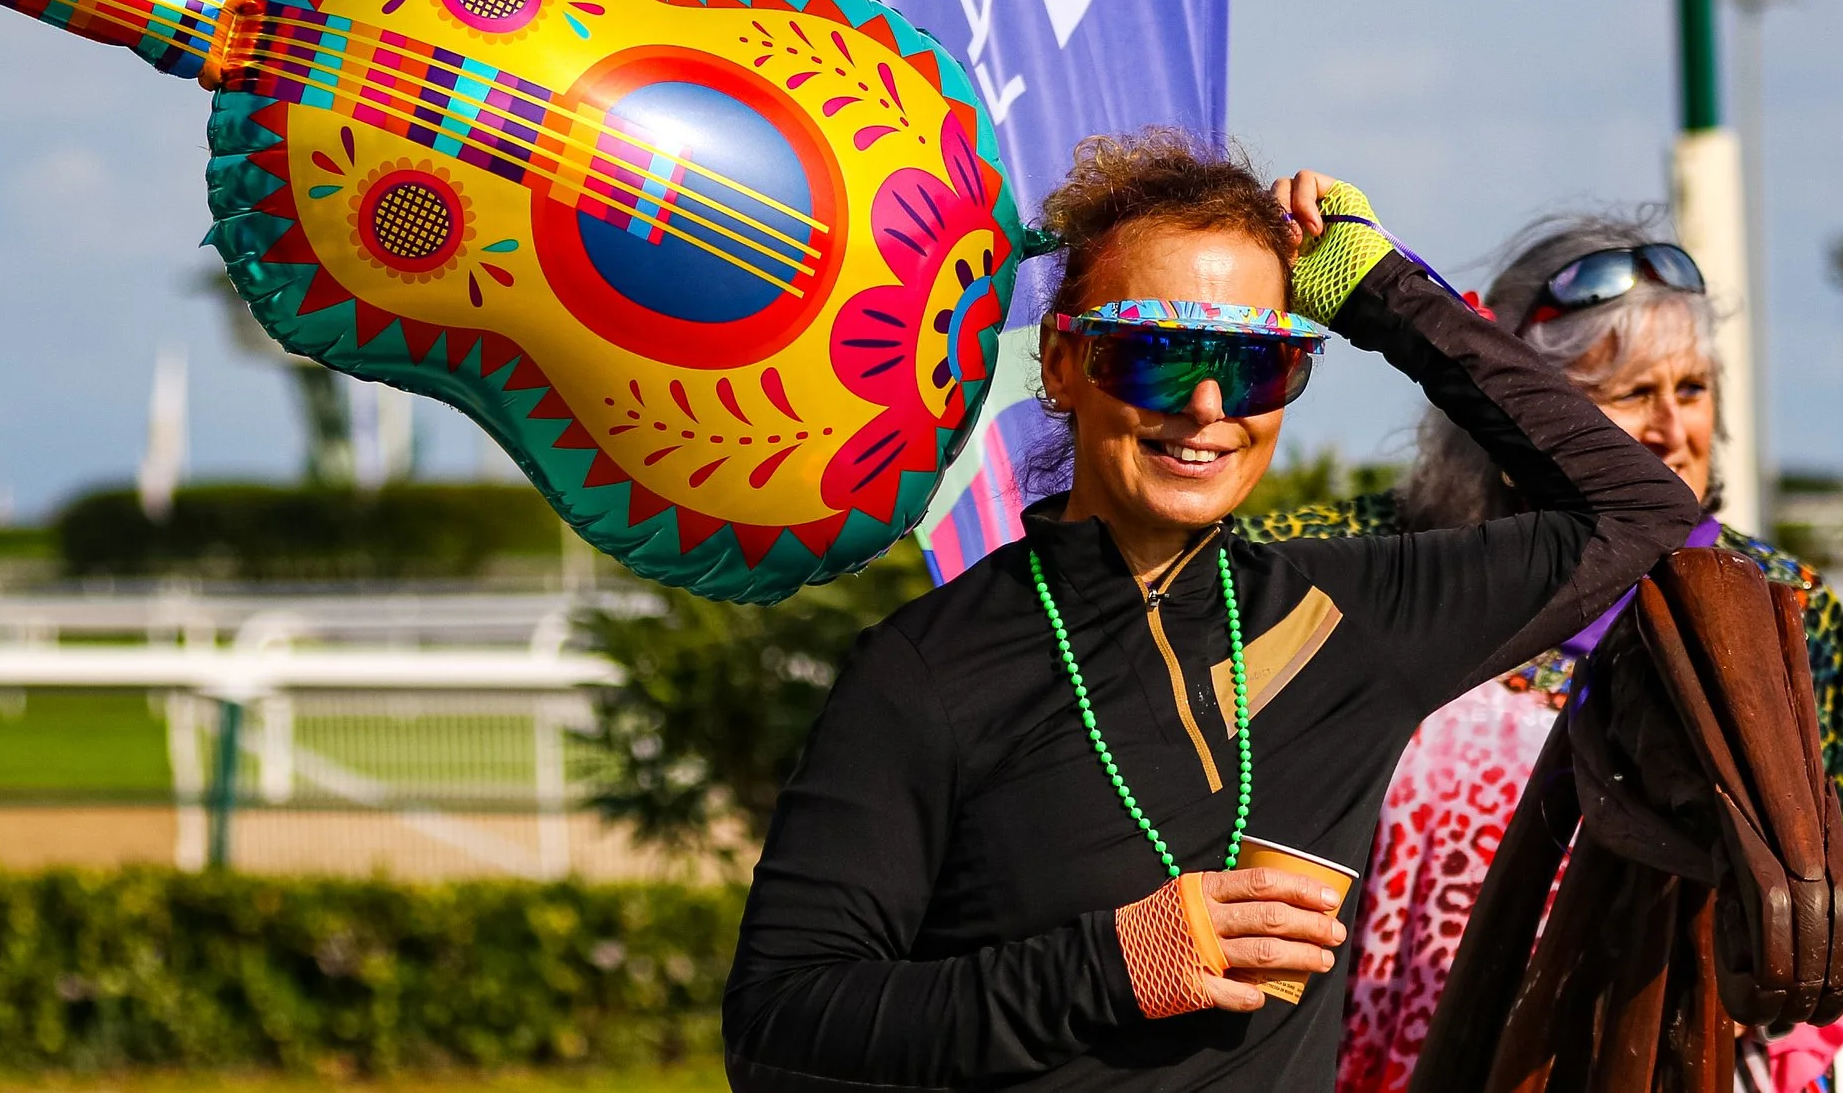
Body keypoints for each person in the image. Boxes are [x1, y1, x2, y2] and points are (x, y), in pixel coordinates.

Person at [721, 135, 1704, 1092]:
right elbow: (776, 1027)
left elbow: (1638, 505)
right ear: (1062, 367)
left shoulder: (1352, 618)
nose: (1204, 404)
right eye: (1158, 356)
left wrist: (1379, 290)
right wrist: (1108, 966)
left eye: (1253, 365)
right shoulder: (924, 670)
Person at [1311, 214, 1843, 1093]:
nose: (1670, 427)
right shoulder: (1385, 560)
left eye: (1692, 389)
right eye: (1627, 393)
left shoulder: (1782, 607)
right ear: (1513, 404)